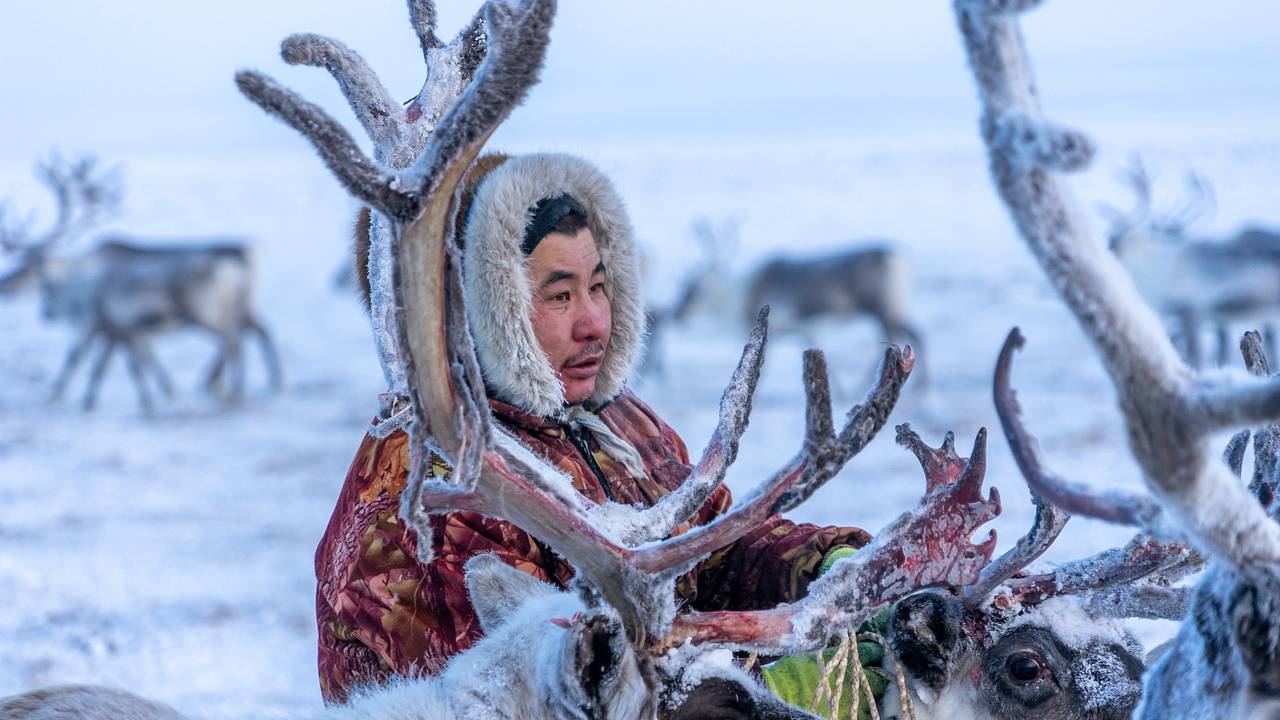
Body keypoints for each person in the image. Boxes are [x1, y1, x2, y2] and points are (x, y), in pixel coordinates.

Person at [315, 152, 873, 703]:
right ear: (475, 316)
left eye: (599, 287)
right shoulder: (425, 497)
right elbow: (570, 689)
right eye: (559, 295)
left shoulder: (619, 425)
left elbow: (715, 549)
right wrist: (765, 692)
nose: (595, 324)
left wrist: (834, 569)